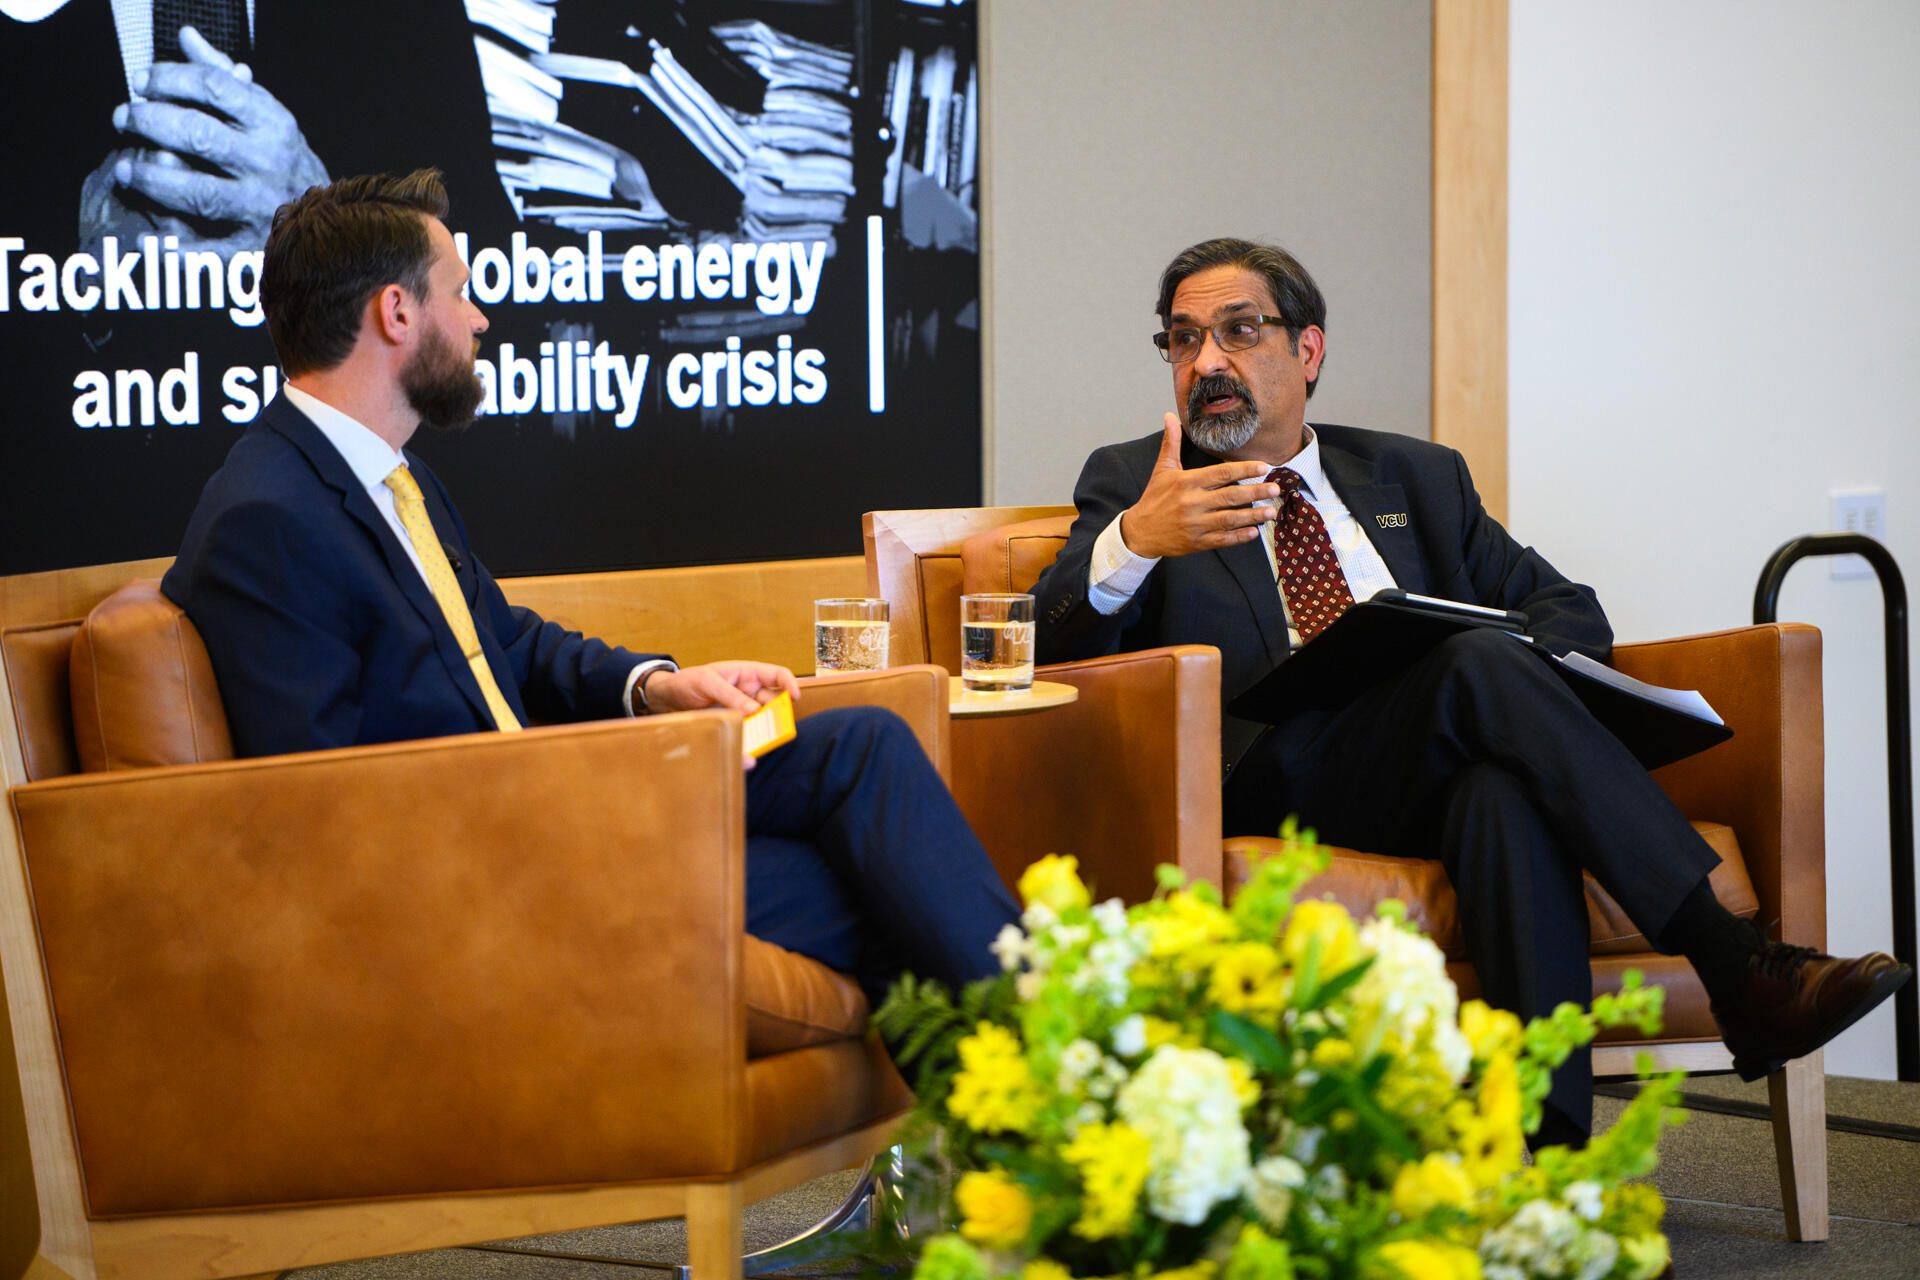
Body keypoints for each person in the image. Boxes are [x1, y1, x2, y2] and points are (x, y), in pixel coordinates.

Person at [1031, 236, 1911, 1145]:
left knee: (1502, 791)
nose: (1207, 361)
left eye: (1238, 330)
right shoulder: (1135, 481)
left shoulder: (1413, 476)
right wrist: (1137, 538)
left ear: (1309, 350)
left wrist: (1518, 691)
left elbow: (1566, 606)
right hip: (1268, 783)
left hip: (1425, 774)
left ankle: (1543, 1163)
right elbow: (1045, 639)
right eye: (1182, 340)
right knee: (1477, 661)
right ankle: (1738, 968)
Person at [161, 168, 1019, 1003]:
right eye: (460, 294)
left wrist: (657, 688)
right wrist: (570, 797)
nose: (481, 319)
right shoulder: (267, 517)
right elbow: (322, 805)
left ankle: (1033, 1111)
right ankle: (1060, 1104)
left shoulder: (391, 477)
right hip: (513, 871)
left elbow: (503, 642)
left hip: (573, 806)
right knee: (880, 883)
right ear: (396, 313)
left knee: (861, 744)